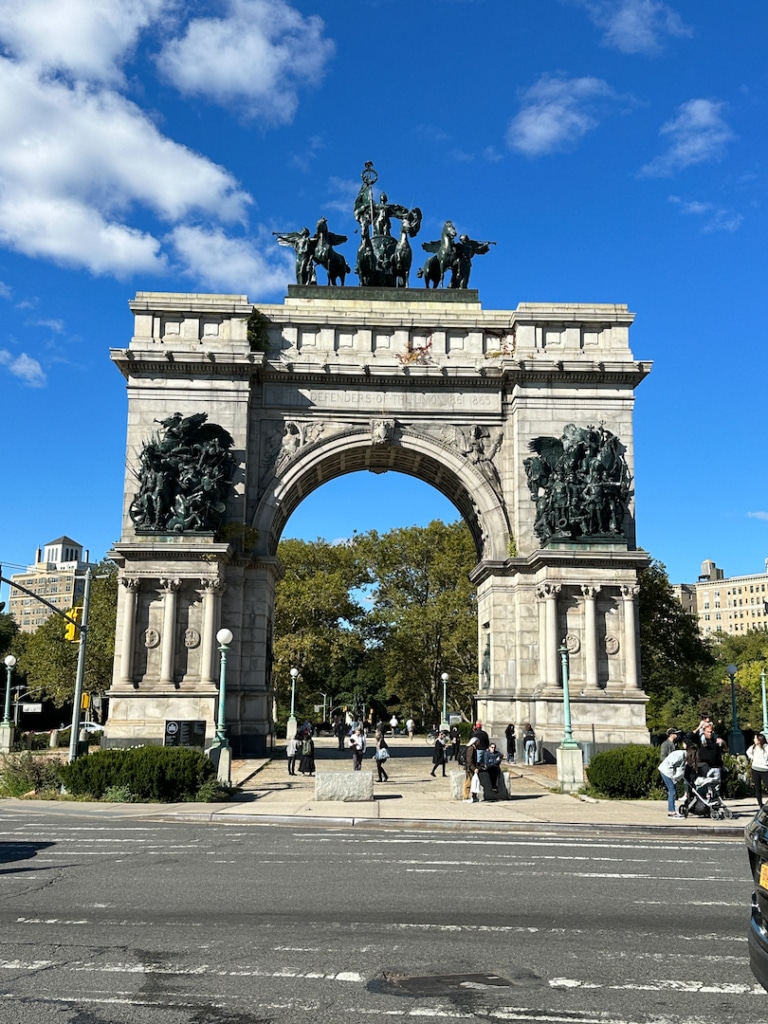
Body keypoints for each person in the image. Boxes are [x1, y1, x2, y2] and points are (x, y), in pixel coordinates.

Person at [658, 745, 686, 817]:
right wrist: (674, 776)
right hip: (666, 771)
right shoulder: (681, 756)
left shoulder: (682, 755)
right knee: (672, 790)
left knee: (672, 790)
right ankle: (671, 811)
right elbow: (671, 765)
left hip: (668, 771)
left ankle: (672, 809)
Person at [747, 732, 768, 807]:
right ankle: (760, 804)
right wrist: (753, 758)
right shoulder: (753, 747)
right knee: (757, 787)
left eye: (755, 738)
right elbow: (748, 752)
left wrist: (765, 762)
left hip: (765, 769)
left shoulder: (766, 747)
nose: (754, 740)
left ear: (759, 740)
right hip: (755, 769)